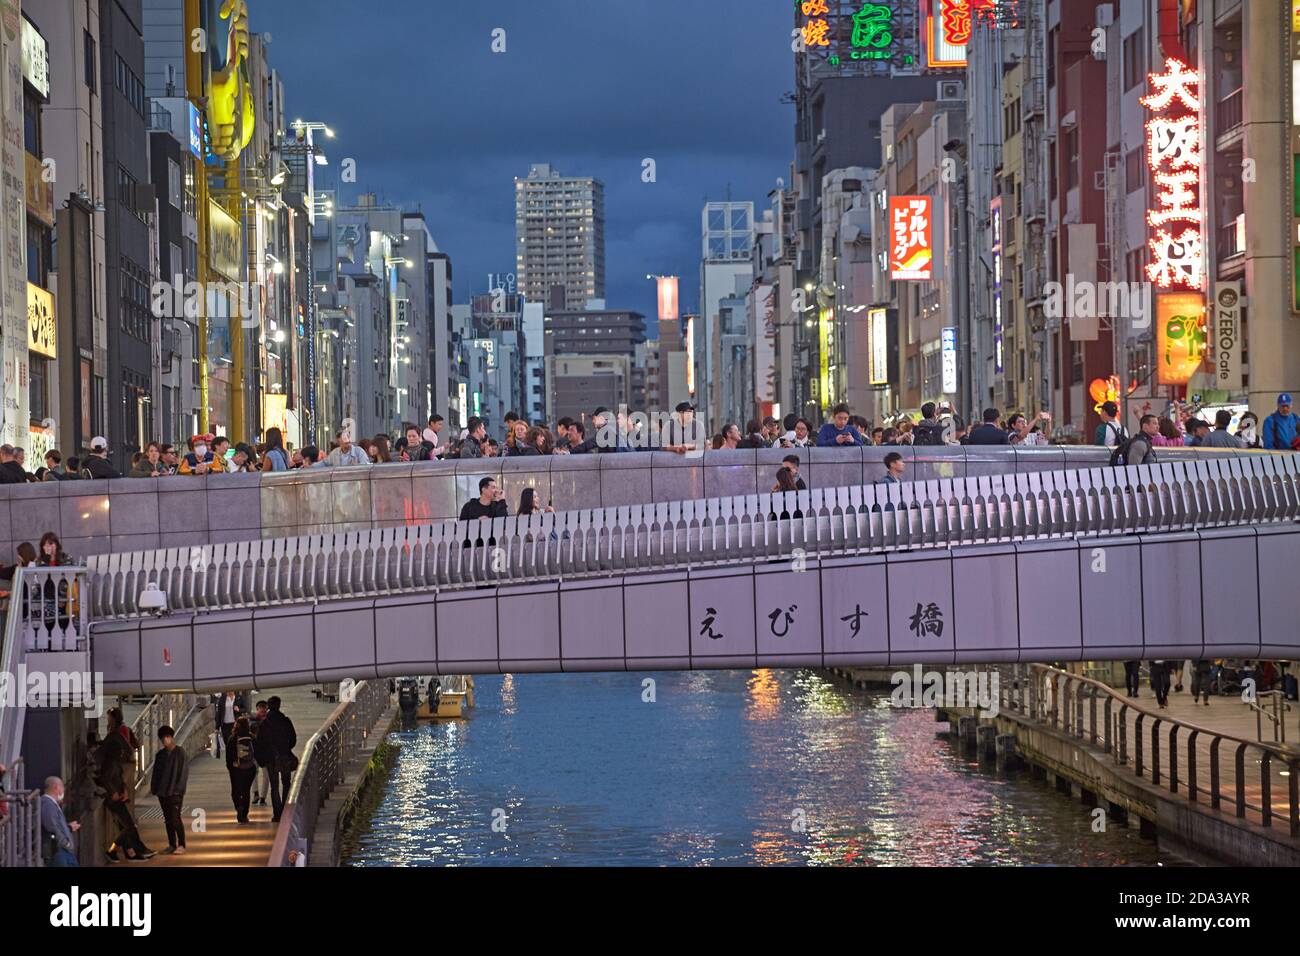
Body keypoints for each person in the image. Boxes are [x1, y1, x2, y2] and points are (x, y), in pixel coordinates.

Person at [150, 726, 188, 853]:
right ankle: (172, 844)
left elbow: (183, 773)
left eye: (166, 737)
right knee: (168, 819)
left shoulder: (180, 752)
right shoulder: (160, 755)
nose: (165, 740)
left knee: (175, 818)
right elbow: (156, 773)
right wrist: (154, 788)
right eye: (162, 738)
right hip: (163, 792)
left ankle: (181, 844)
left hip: (175, 792)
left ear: (171, 737)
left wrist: (179, 790)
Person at [261, 696, 298, 823]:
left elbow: (260, 742)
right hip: (284, 756)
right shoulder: (285, 721)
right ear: (279, 705)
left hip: (271, 758)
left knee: (274, 786)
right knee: (286, 783)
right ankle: (286, 811)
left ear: (268, 707)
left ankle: (277, 814)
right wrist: (286, 748)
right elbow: (293, 739)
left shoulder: (265, 723)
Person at [41, 776, 81, 867]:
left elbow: (55, 825)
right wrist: (66, 843)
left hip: (61, 850)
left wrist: (69, 827)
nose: (63, 790)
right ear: (56, 787)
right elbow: (52, 827)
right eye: (63, 787)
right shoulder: (47, 804)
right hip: (57, 851)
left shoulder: (51, 804)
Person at [225, 715, 257, 825]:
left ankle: (239, 807)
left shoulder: (233, 738)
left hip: (236, 769)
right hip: (249, 768)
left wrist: (230, 767)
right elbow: (256, 751)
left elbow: (228, 756)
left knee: (236, 791)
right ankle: (244, 814)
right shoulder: (251, 737)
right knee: (246, 791)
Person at [211, 690, 243, 759]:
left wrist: (239, 709)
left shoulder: (238, 697)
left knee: (235, 742)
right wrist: (217, 727)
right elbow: (219, 714)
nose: (228, 691)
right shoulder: (222, 699)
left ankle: (236, 758)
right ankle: (230, 759)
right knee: (227, 743)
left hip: (235, 724)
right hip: (225, 724)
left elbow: (245, 708)